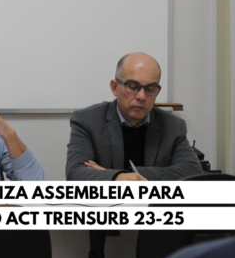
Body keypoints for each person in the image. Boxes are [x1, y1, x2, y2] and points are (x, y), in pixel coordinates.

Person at [66, 52, 202, 181]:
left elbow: (193, 171)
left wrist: (125, 175)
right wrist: (117, 178)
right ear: (114, 87)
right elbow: (75, 173)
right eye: (132, 86)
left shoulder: (173, 126)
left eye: (150, 89)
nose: (141, 96)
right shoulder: (87, 120)